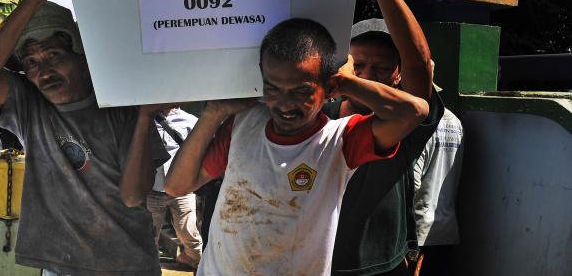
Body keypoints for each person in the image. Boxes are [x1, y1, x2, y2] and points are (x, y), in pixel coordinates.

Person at [153, 17, 429, 275]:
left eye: (301, 91)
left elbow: (414, 111)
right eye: (273, 88)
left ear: (329, 87)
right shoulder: (243, 125)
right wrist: (213, 113)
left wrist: (347, 81)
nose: (284, 104)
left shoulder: (339, 141)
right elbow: (176, 186)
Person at [0, 0, 168, 276]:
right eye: (31, 62)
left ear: (83, 59)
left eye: (54, 55)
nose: (43, 71)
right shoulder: (29, 105)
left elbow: (133, 197)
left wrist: (145, 116)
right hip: (62, 267)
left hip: (128, 265)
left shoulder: (123, 109)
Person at [326, 0, 444, 276]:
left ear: (397, 76)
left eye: (381, 67)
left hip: (383, 268)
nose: (367, 75)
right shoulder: (319, 118)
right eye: (358, 65)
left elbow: (419, 64)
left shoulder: (405, 125)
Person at [147, 107, 203, 268]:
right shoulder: (144, 119)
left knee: (188, 230)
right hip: (152, 188)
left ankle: (196, 260)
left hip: (182, 189)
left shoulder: (190, 120)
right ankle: (148, 265)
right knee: (150, 233)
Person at [413, 106, 464, 276]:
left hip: (418, 230)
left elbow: (412, 183)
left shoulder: (421, 125)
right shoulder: (456, 122)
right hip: (446, 229)